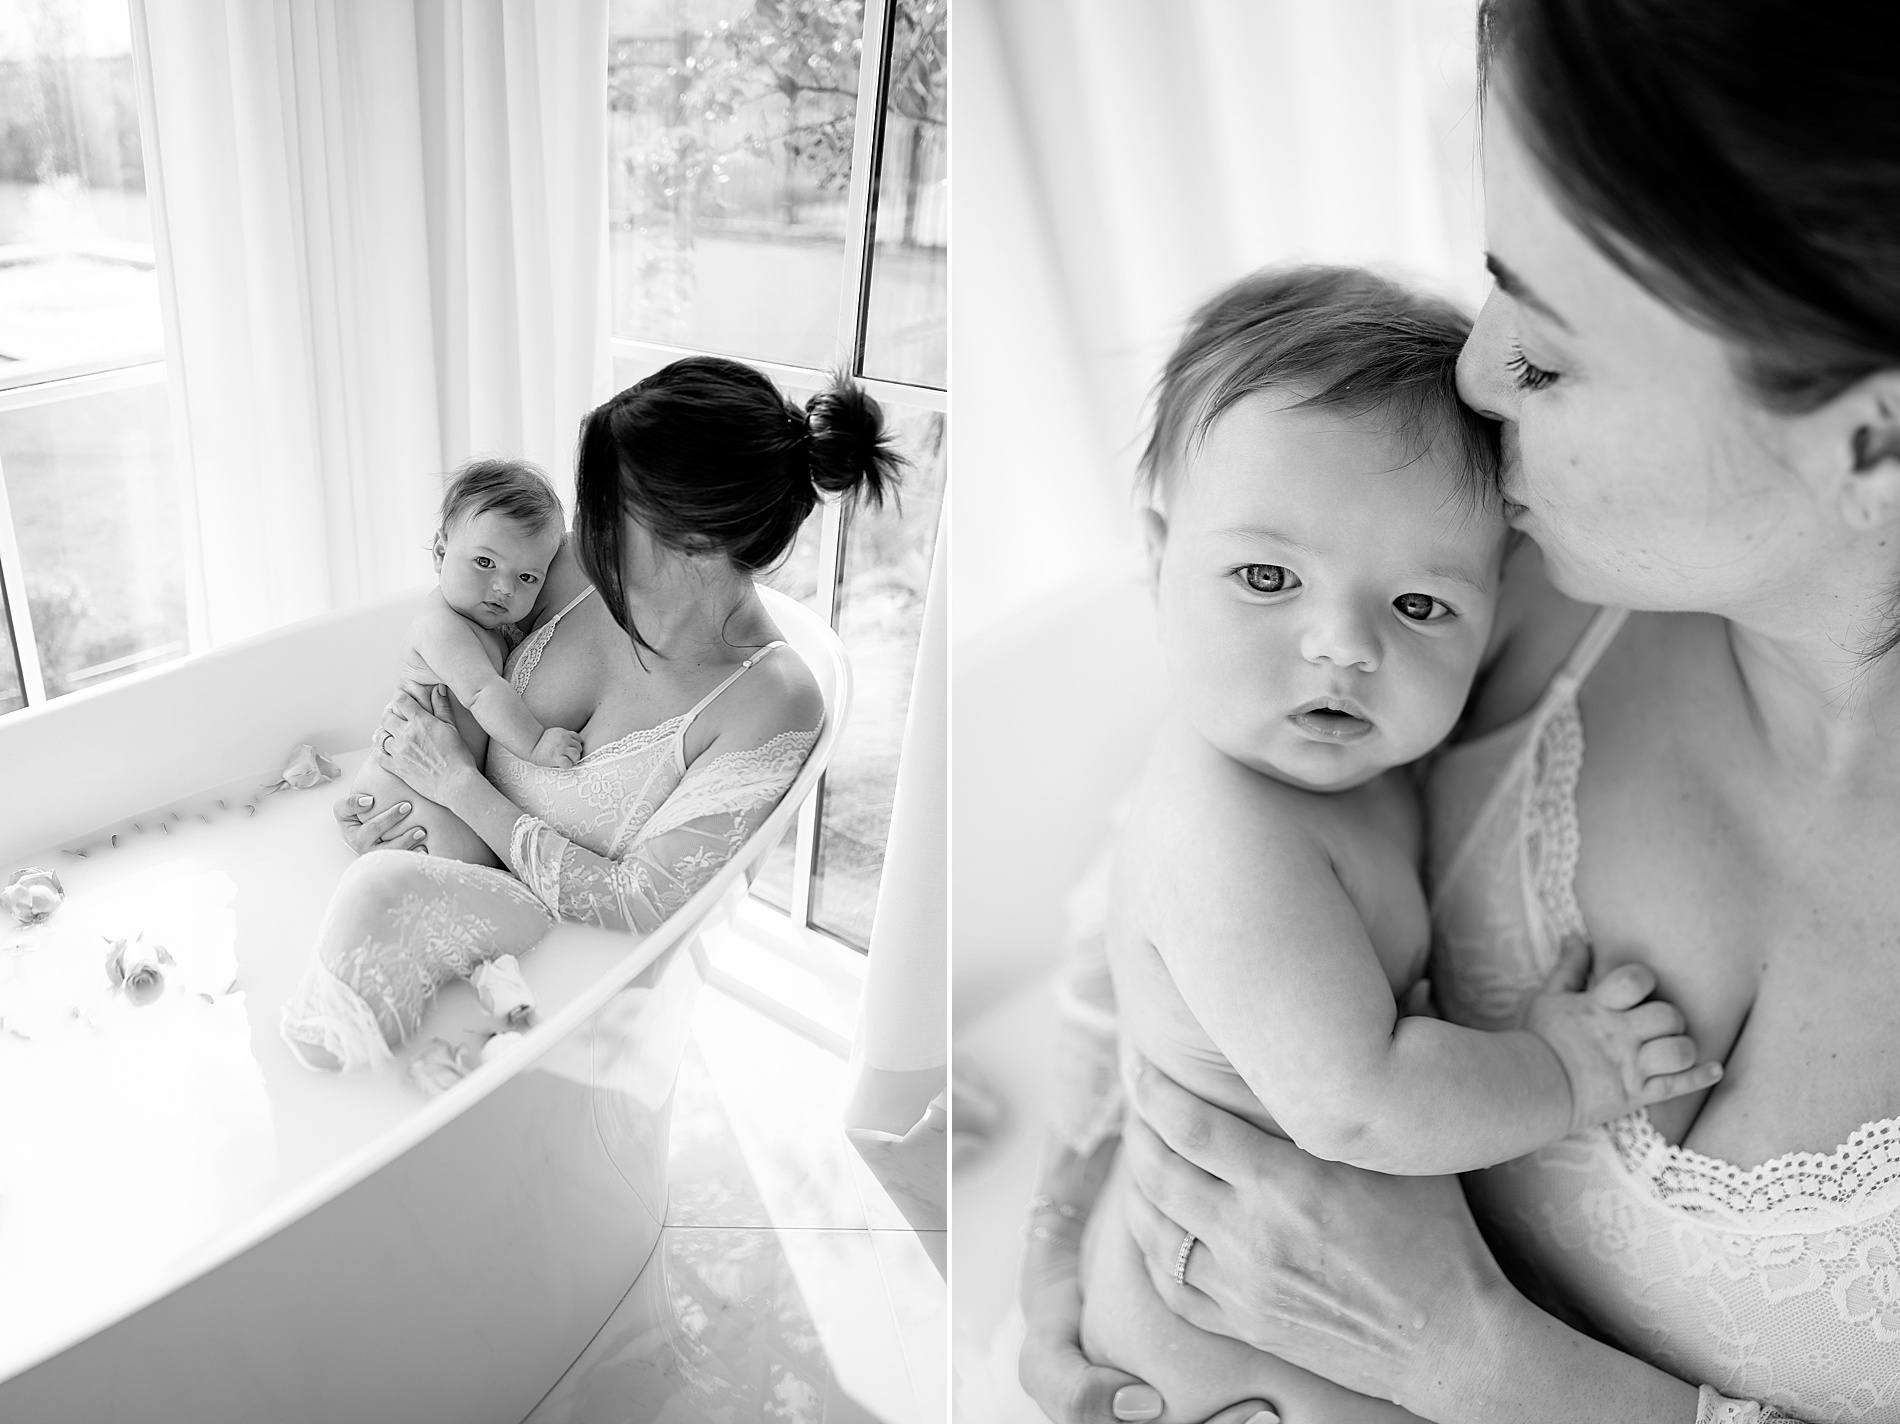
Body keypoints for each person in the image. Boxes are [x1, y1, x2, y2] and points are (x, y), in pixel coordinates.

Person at [1017, 0, 1900, 1420]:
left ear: (1875, 431)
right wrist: (1070, 1217)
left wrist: (1476, 1359)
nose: (1478, 376)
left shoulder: (1455, 582)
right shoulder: (1505, 564)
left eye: (1548, 339)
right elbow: (1149, 906)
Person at [1078, 264, 1720, 1424]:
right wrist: (1567, 1070)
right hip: (1226, 1353)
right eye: (1266, 576)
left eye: (1420, 606)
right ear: (1157, 552)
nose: (1340, 645)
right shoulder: (1226, 832)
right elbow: (1356, 1101)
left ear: (1493, 603)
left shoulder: (1350, 758)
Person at [279, 355, 902, 1073]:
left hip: (555, 980)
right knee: (350, 904)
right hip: (431, 887)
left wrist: (454, 786)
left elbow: (644, 904)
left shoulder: (770, 700)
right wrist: (401, 775)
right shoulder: (576, 570)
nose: (588, 521)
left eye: (609, 505)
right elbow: (450, 626)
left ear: (690, 541)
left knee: (371, 905)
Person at [343, 459, 584, 873]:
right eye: (485, 563)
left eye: (527, 577)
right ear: (440, 552)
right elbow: (483, 692)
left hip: (423, 783)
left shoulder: (482, 622)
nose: (504, 588)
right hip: (406, 790)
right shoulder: (442, 626)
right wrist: (536, 745)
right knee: (475, 867)